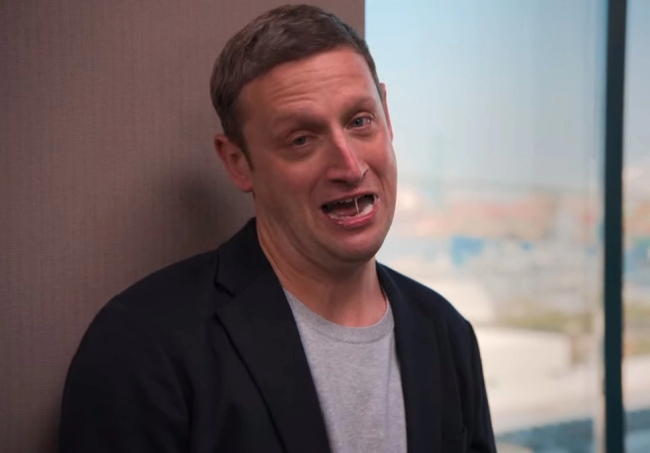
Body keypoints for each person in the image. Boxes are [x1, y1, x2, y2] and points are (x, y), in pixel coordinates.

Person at [58, 4, 495, 453]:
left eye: (360, 121)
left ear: (387, 114)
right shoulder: (141, 346)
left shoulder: (447, 334)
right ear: (238, 163)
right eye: (301, 139)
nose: (350, 166)